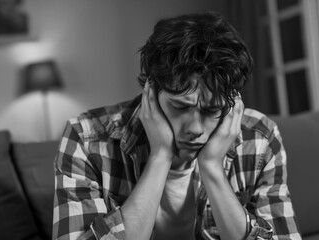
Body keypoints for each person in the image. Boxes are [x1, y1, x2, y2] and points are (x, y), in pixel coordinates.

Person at [53, 12, 301, 240]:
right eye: (180, 107)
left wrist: (212, 168)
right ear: (151, 91)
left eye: (212, 110)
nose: (194, 128)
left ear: (233, 103)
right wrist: (160, 157)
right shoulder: (86, 139)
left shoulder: (261, 138)